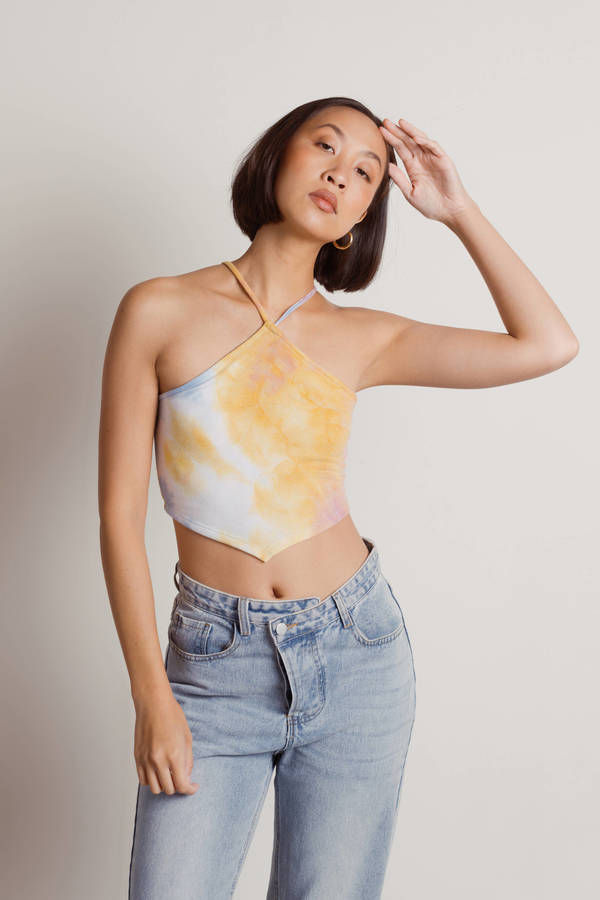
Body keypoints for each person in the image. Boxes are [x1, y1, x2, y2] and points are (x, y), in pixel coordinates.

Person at [98, 96, 579, 899]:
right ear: (276, 157)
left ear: (363, 216)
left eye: (365, 172)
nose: (340, 174)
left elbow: (549, 343)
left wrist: (458, 211)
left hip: (357, 651)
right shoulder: (159, 310)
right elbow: (118, 517)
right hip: (214, 665)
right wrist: (151, 695)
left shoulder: (364, 338)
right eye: (324, 146)